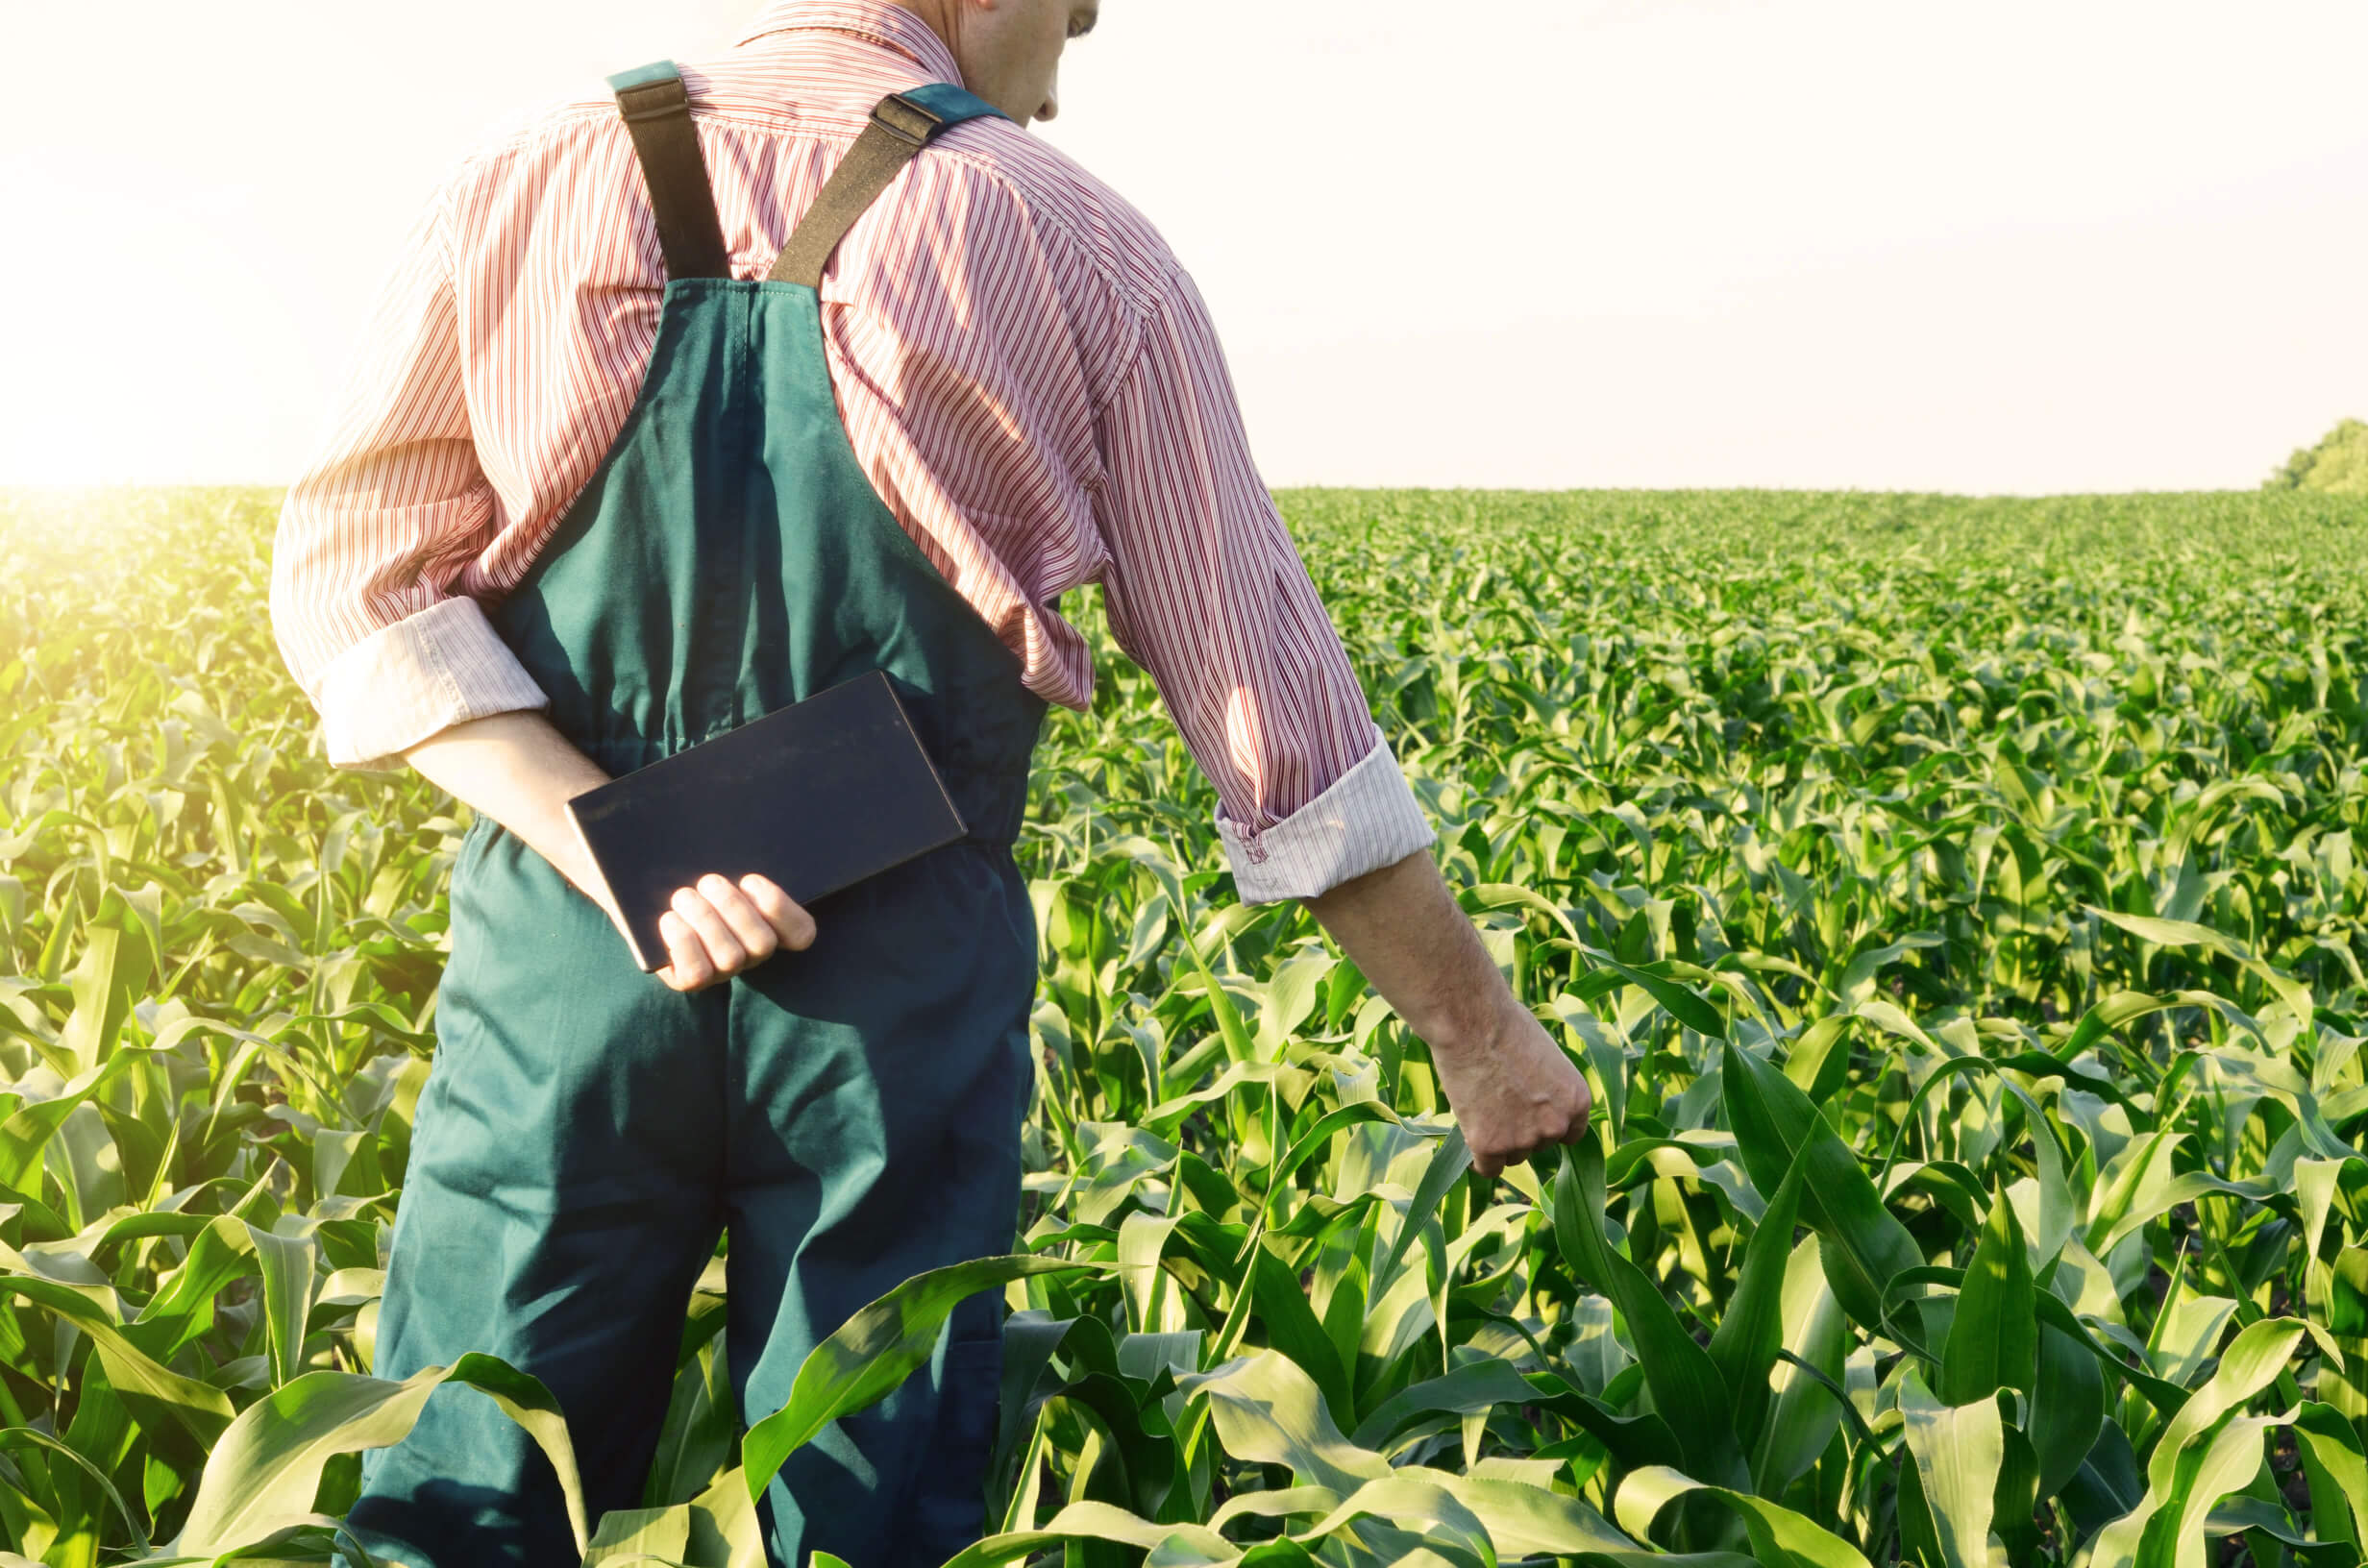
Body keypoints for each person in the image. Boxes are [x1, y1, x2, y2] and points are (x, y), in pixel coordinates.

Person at [268, 1, 1591, 1563]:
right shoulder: (1075, 245)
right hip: (887, 1009)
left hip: (569, 975)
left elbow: (353, 584)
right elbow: (1273, 716)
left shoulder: (521, 177)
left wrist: (599, 835)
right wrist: (1482, 1037)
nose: (1092, 14)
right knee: (855, 1511)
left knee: (462, 1499)